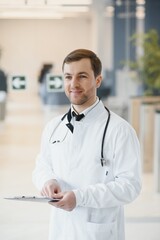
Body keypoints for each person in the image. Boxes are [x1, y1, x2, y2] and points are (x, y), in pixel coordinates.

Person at [32, 49, 141, 240]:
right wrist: (47, 181)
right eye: (68, 77)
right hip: (61, 229)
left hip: (98, 231)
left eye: (82, 76)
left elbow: (130, 185)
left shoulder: (120, 130)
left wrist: (80, 197)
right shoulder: (53, 127)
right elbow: (42, 166)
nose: (73, 84)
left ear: (97, 81)